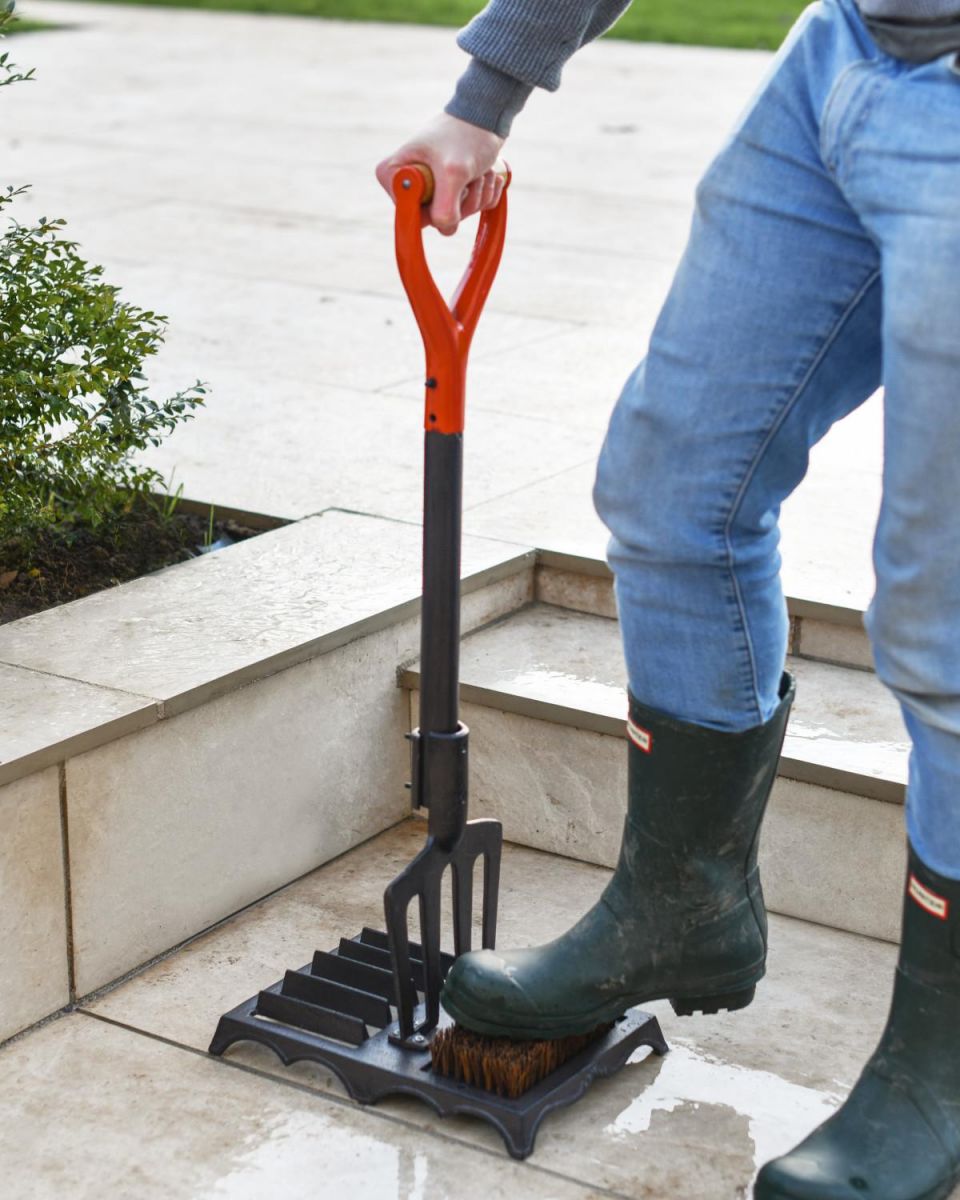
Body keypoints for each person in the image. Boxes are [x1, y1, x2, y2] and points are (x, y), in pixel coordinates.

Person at [375, 2, 960, 1196]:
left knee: (942, 621)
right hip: (844, 55)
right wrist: (486, 95)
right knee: (672, 486)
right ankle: (682, 906)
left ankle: (940, 1069)